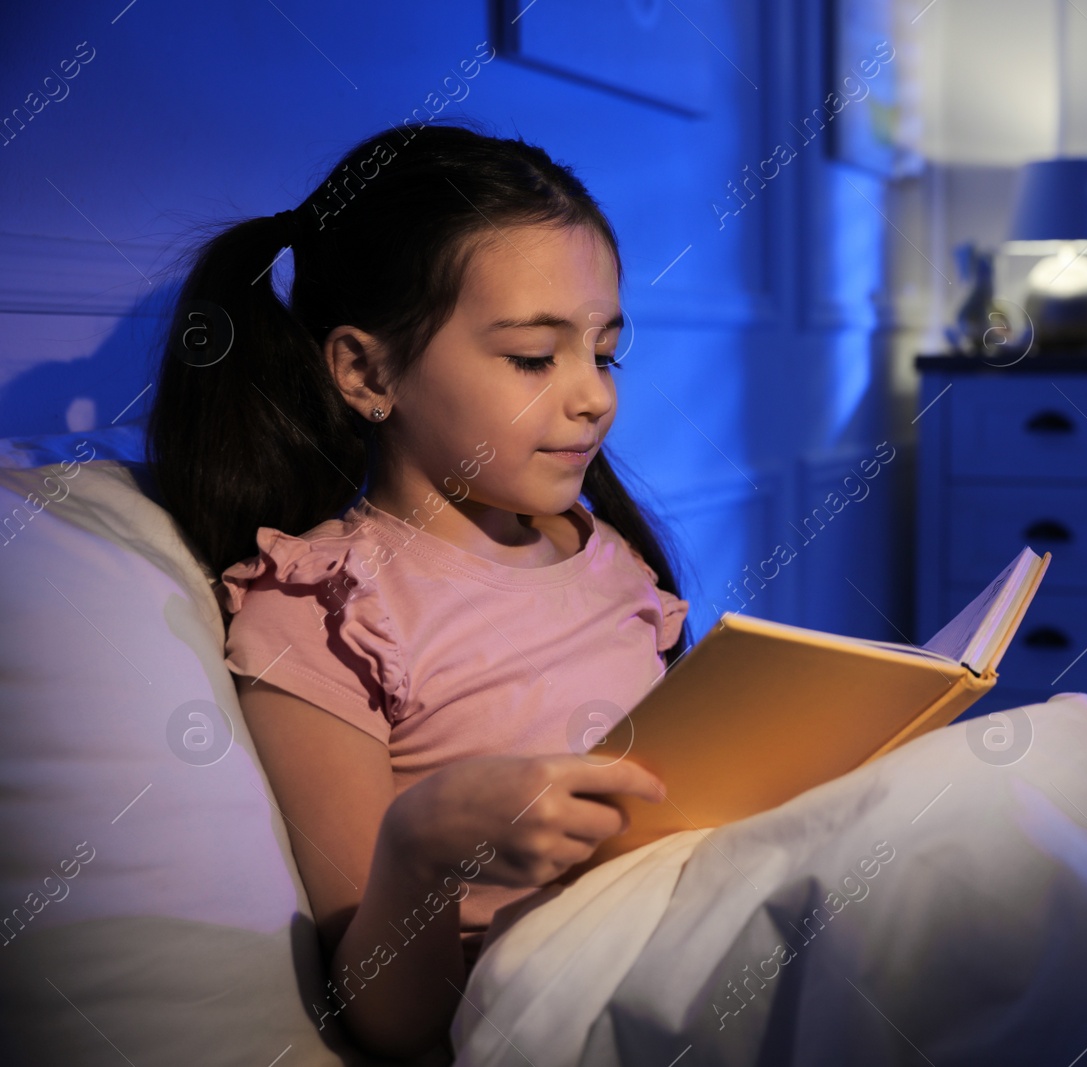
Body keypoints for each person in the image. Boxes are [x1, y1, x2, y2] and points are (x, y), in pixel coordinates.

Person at [146, 120, 684, 1060]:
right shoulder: (328, 608)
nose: (593, 395)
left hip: (684, 933)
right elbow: (391, 1021)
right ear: (366, 371)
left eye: (603, 351)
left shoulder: (606, 554)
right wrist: (424, 847)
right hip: (555, 1008)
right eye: (533, 356)